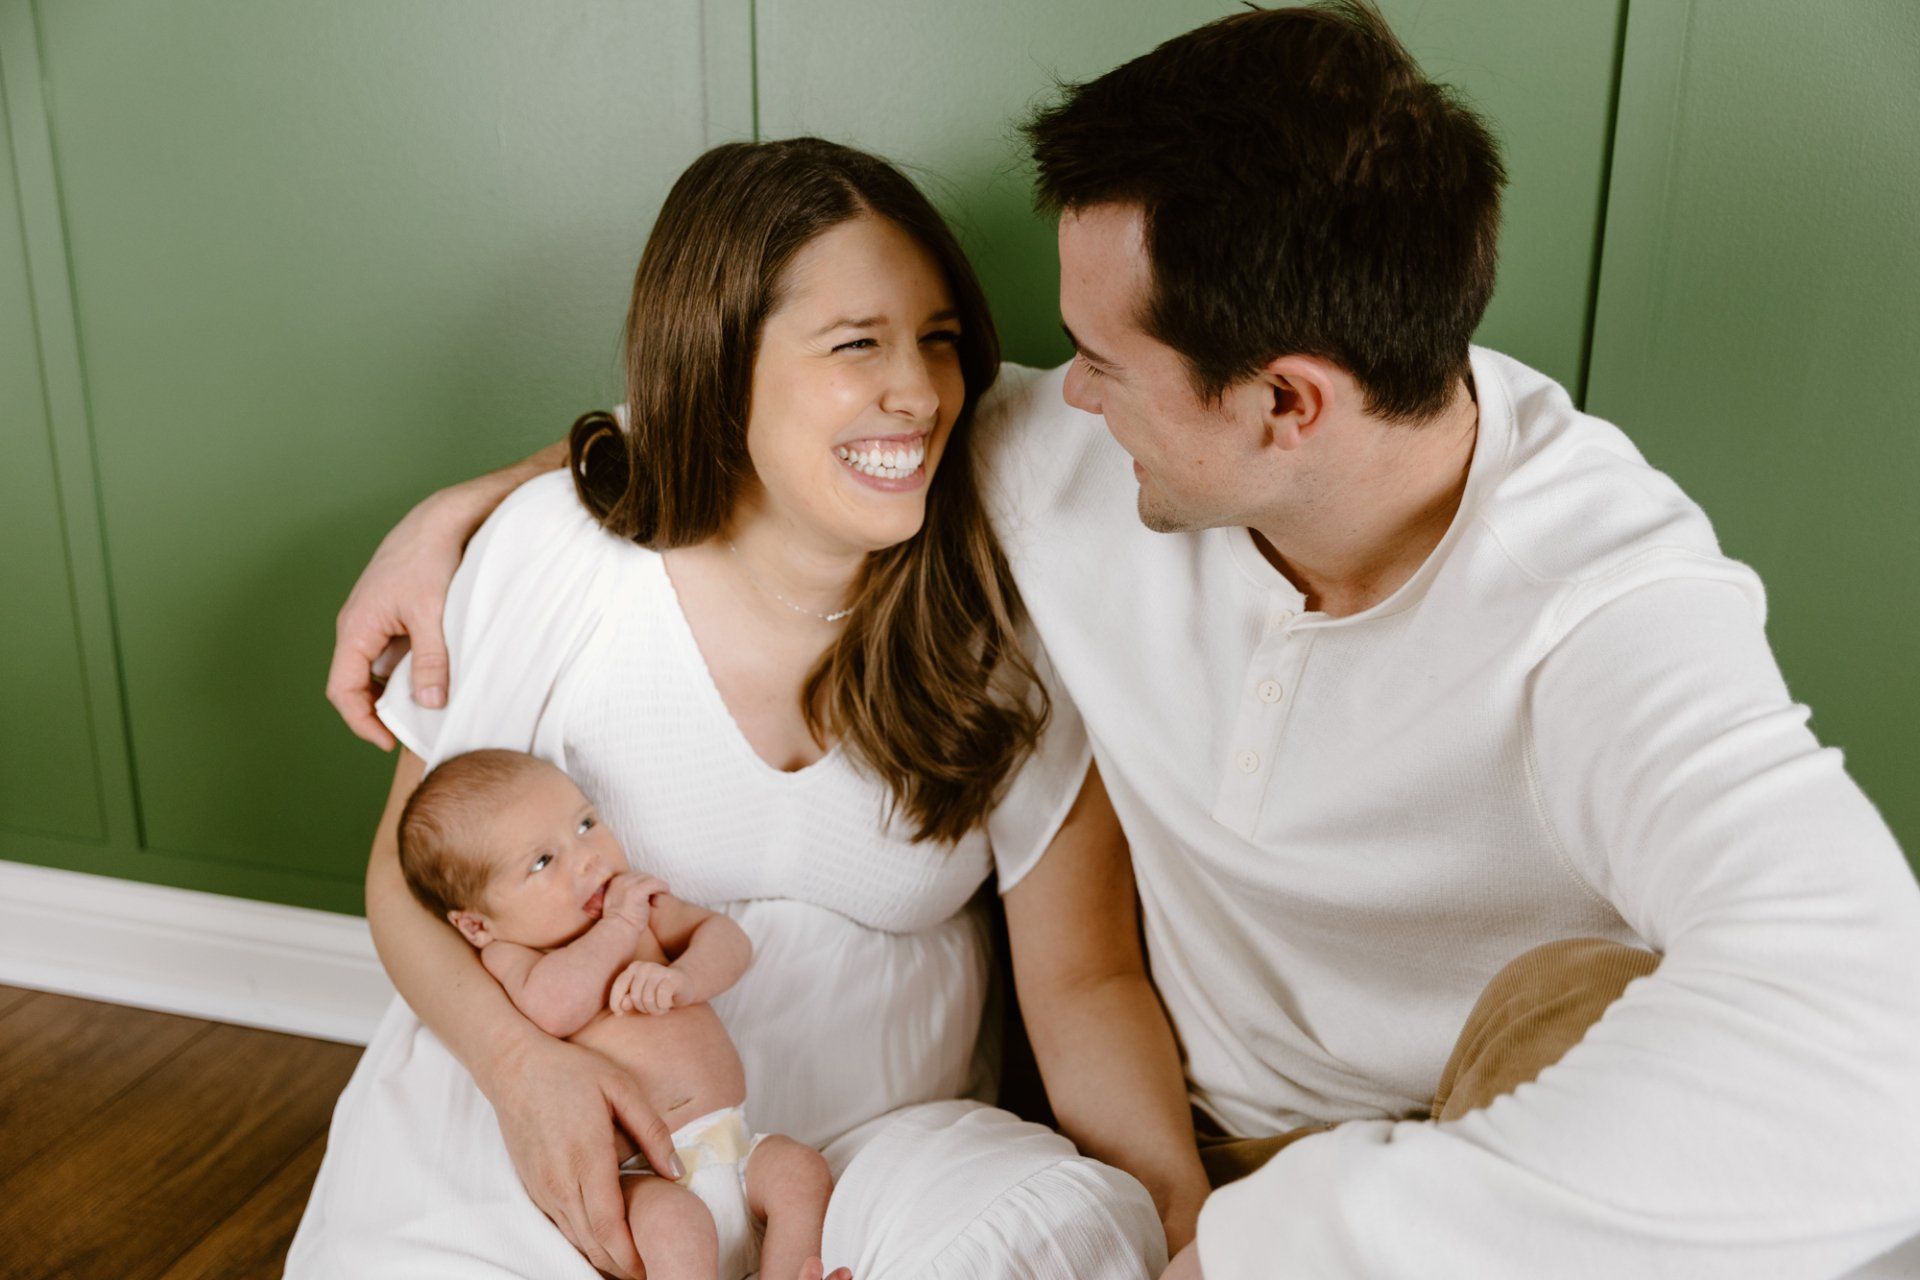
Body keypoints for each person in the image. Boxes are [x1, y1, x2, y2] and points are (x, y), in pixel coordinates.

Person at [328, 5, 1920, 1279]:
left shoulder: (1613, 594)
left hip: (1470, 1154)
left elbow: (1874, 1046)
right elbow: (761, 437)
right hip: (1211, 1149)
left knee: (1616, 1016)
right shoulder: (1077, 460)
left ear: (1285, 401)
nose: (1039, 392)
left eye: (1096, 358)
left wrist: (1287, 1244)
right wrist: (478, 514)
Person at [292, 137, 1168, 1279]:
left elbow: (1084, 976)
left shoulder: (998, 604)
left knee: (1062, 1232)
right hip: (574, 1119)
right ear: (718, 365)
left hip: (861, 1163)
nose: (921, 389)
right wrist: (522, 1071)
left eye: (940, 340)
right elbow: (404, 887)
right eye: (857, 343)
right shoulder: (561, 557)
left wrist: (1191, 1223)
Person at [396, 748, 851, 1280]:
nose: (588, 858)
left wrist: (686, 978)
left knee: (802, 1171)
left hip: (736, 1143)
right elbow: (554, 1008)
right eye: (543, 862)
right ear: (477, 925)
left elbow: (725, 938)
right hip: (646, 1177)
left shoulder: (639, 902)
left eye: (586, 823)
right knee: (678, 1230)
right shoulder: (515, 953)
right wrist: (617, 927)